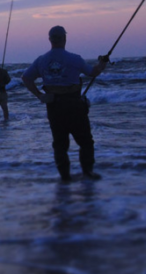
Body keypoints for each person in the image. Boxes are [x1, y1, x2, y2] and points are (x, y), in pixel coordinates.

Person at [22, 26, 109, 181]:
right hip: (74, 105)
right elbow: (93, 72)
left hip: (54, 106)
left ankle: (65, 176)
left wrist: (40, 96)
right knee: (85, 141)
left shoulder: (41, 60)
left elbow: (26, 78)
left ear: (50, 39)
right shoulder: (75, 58)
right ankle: (87, 172)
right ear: (64, 39)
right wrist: (102, 63)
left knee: (60, 143)